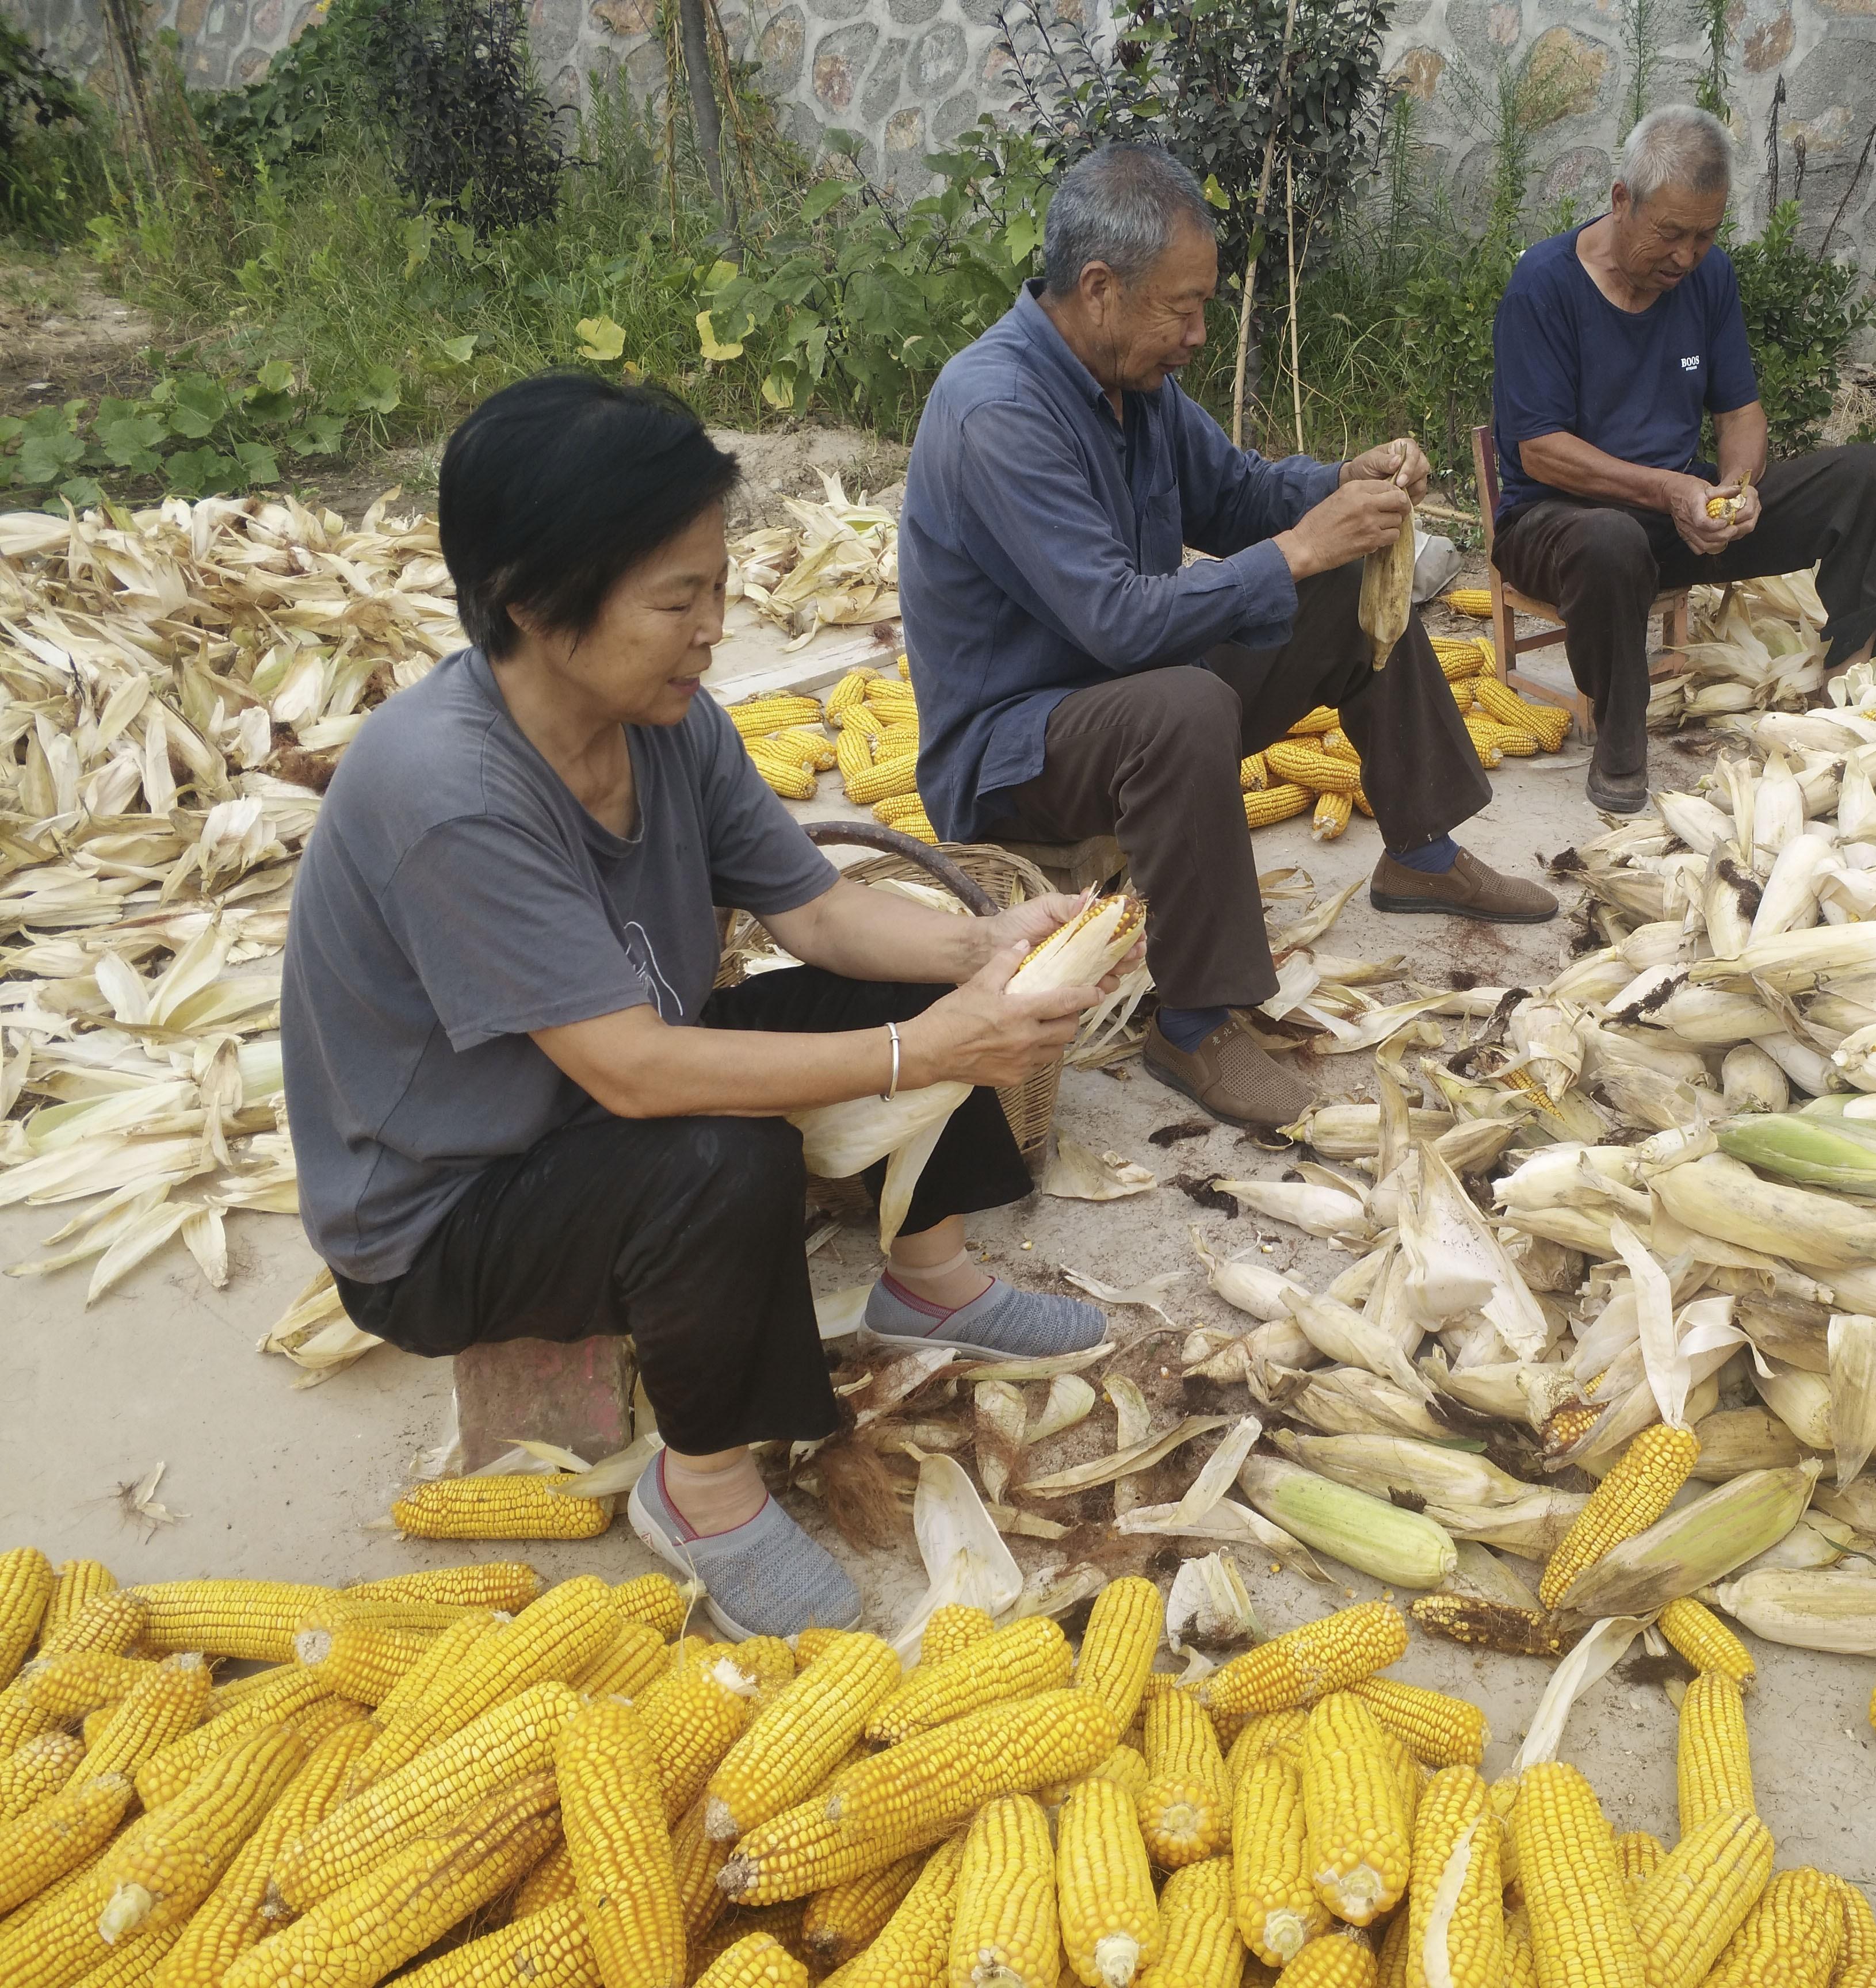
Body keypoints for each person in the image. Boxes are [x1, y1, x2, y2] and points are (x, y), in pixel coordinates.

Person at [279, 373, 1125, 1638]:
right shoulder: (451, 792)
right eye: (679, 599)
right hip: (451, 1213)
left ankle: (930, 1282)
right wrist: (914, 1054)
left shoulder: (666, 722)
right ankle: (705, 1486)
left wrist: (982, 946)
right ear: (532, 601)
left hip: (584, 1109)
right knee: (719, 1158)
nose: (712, 629)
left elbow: (823, 914)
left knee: (894, 974)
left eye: (718, 589)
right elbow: (631, 1073)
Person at [899, 142, 1558, 1136]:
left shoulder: (1136, 385)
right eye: (1183, 306)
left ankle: (1419, 854)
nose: (1199, 331)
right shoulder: (997, 412)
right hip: (1013, 746)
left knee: (1345, 577)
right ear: (1098, 289)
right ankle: (1195, 1022)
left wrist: (1342, 484)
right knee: (1184, 701)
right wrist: (1294, 549)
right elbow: (1117, 622)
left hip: (1120, 691)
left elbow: (1238, 493)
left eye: (1204, 305)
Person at [1489, 104, 1876, 813]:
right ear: (1622, 200)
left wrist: (1735, 489)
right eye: (1672, 233)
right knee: (1611, 537)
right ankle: (1621, 736)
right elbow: (1542, 451)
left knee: (1870, 476)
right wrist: (1669, 492)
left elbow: (1740, 411)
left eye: (1706, 235)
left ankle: (1844, 692)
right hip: (1560, 529)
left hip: (1680, 519)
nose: (1687, 256)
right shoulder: (1543, 285)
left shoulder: (1708, 279)